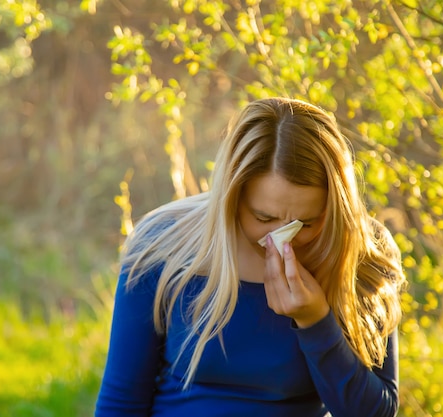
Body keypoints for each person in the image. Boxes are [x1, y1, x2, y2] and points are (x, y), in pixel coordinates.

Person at [95, 97, 407, 417]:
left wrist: (315, 321)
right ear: (232, 197)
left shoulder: (362, 251)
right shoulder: (162, 245)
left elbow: (374, 413)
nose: (282, 239)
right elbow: (122, 401)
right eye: (264, 218)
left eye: (307, 223)